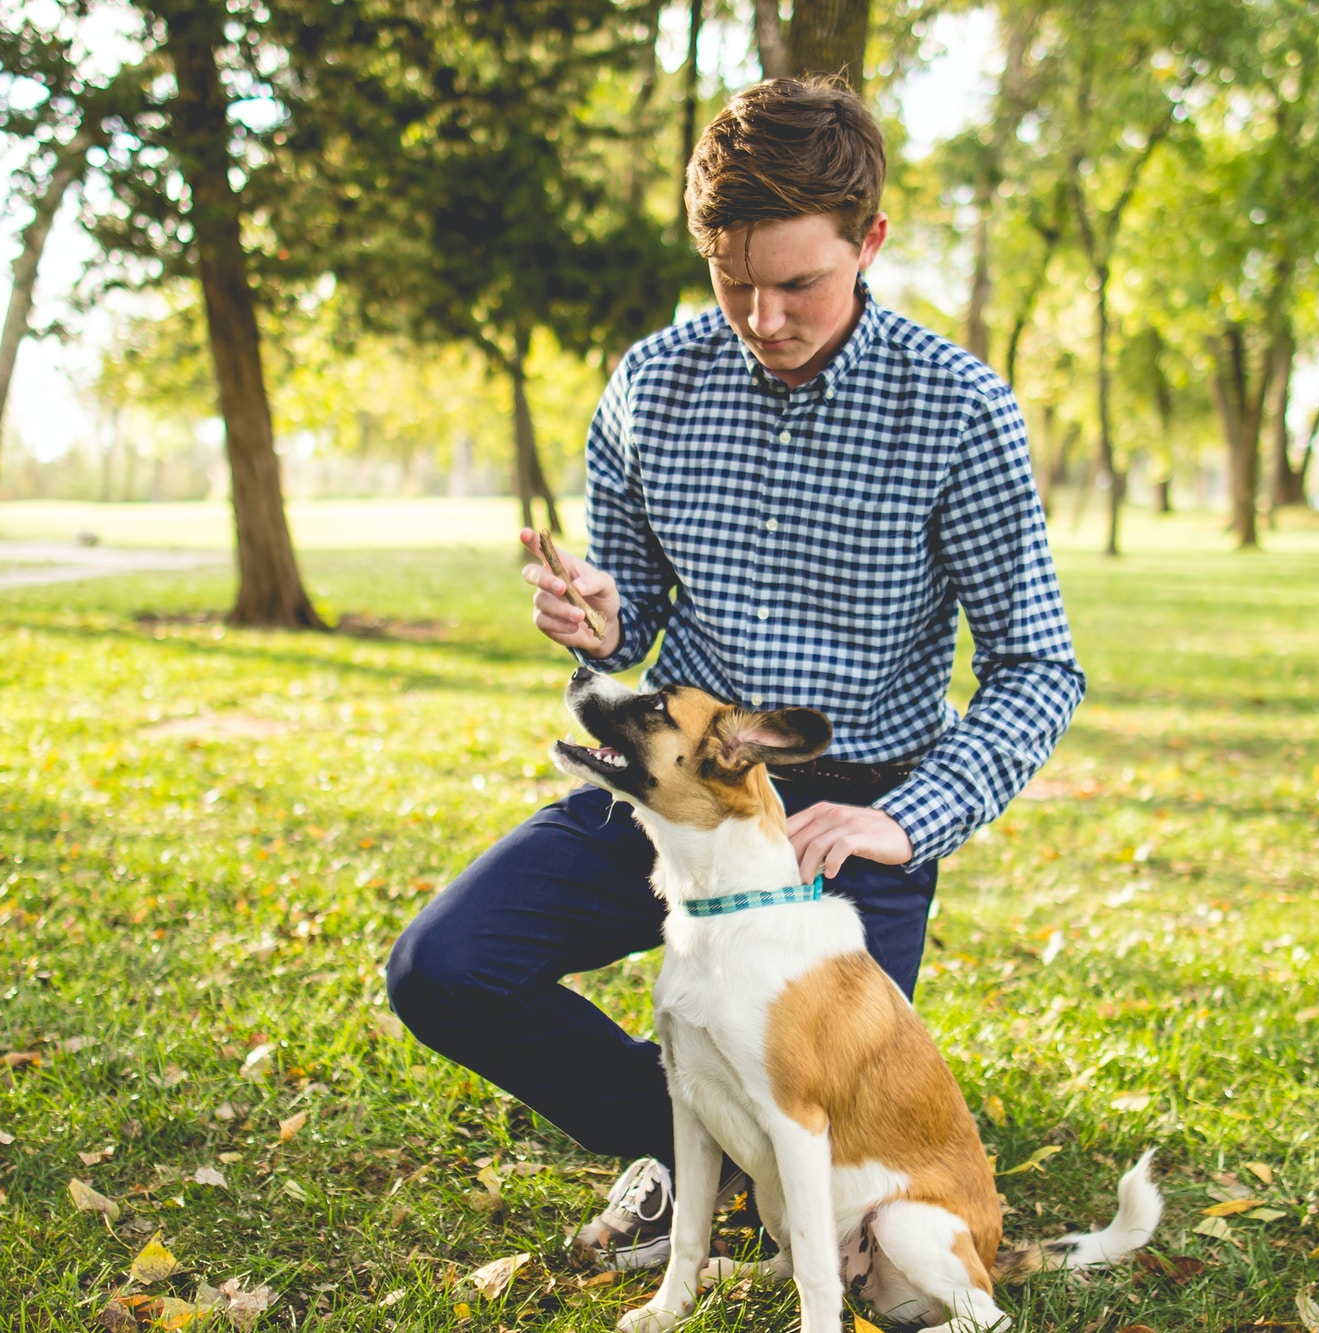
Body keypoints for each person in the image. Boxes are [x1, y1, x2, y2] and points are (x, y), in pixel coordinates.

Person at [385, 76, 1083, 1271]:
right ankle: (672, 1131)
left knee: (805, 1214)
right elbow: (635, 620)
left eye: (796, 283)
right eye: (731, 280)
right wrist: (599, 622)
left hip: (842, 818)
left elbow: (1034, 667)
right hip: (673, 788)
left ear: (868, 241)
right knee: (443, 968)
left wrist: (900, 819)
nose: (760, 316)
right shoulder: (650, 388)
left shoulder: (959, 409)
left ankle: (738, 1147)